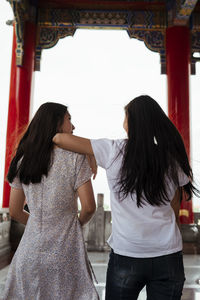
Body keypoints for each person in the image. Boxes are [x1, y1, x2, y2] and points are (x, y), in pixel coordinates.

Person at [53, 95, 199, 300]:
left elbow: (59, 138)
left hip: (127, 253)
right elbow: (174, 204)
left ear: (130, 121)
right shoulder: (170, 158)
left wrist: (90, 153)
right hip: (168, 254)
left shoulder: (113, 150)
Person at [2, 102, 99, 300]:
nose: (73, 126)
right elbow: (89, 207)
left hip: (29, 252)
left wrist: (41, 224)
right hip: (66, 253)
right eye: (69, 119)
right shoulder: (75, 158)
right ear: (56, 123)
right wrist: (73, 224)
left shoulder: (22, 160)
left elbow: (14, 211)